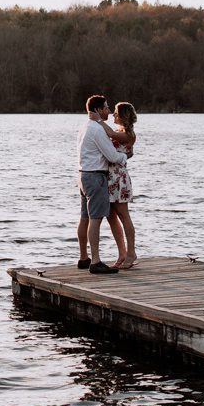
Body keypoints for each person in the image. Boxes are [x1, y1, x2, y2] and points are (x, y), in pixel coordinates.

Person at [76, 94, 130, 274]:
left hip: (83, 175)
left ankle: (84, 257)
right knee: (95, 220)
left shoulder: (84, 126)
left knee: (84, 218)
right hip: (96, 177)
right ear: (98, 110)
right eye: (106, 108)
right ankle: (96, 261)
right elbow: (112, 156)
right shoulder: (97, 130)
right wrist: (126, 157)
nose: (108, 110)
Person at [102, 102, 138, 269]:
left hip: (119, 178)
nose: (113, 115)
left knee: (124, 215)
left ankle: (131, 253)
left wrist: (95, 119)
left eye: (115, 112)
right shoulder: (118, 132)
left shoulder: (128, 134)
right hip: (108, 177)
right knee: (110, 216)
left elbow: (108, 133)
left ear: (123, 115)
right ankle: (122, 253)